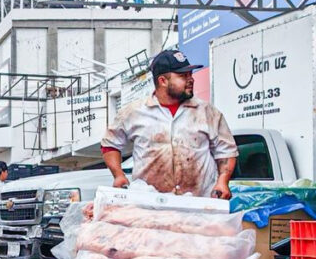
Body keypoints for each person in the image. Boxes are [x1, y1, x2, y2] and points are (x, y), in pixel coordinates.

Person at [101, 49, 238, 198]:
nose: (190, 79)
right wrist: (118, 175)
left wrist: (223, 181)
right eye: (182, 76)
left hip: (199, 204)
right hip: (150, 205)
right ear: (163, 81)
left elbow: (226, 150)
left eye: (190, 74)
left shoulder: (207, 112)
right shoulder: (133, 112)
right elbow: (110, 144)